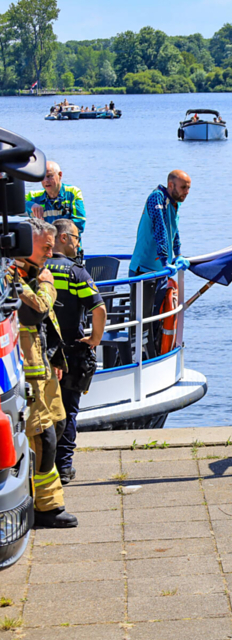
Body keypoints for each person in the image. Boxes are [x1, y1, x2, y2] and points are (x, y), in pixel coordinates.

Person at [14, 219, 77, 528]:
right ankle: (46, 507)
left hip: (44, 366)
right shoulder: (13, 275)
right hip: (27, 374)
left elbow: (44, 322)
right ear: (27, 244)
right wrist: (47, 283)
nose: (51, 255)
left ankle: (40, 497)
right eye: (46, 248)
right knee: (44, 438)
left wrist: (56, 359)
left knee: (60, 425)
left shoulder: (32, 273)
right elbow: (37, 308)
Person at [46, 219, 106, 485]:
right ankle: (64, 467)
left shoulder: (37, 268)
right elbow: (99, 309)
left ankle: (41, 466)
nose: (78, 243)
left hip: (40, 352)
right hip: (70, 352)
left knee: (42, 411)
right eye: (75, 237)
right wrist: (94, 339)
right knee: (68, 410)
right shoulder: (76, 272)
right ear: (62, 238)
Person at [129, 170, 191, 359]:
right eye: (183, 188)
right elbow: (160, 229)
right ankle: (138, 358)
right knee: (142, 320)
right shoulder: (157, 198)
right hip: (144, 270)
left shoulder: (174, 203)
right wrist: (165, 259)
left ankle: (155, 355)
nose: (186, 192)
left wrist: (178, 253)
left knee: (157, 318)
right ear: (171, 185)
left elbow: (174, 230)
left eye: (188, 189)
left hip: (161, 273)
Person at [25, 161, 87, 240]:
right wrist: (31, 205)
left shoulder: (73, 192)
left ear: (60, 175)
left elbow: (79, 223)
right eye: (42, 177)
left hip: (67, 247)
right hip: (45, 248)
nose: (46, 180)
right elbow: (15, 204)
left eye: (49, 176)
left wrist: (54, 236)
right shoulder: (33, 196)